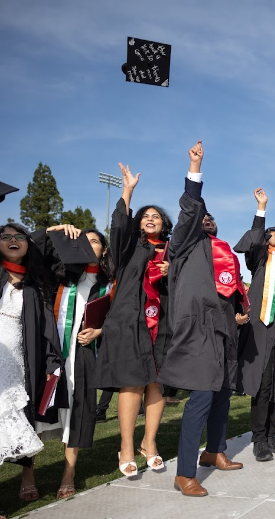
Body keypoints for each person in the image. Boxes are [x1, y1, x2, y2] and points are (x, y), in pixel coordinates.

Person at [158, 141, 247, 497]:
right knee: (202, 395)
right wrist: (195, 170)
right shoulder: (183, 244)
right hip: (197, 327)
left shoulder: (221, 251)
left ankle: (216, 450)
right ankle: (184, 472)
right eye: (202, 217)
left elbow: (232, 286)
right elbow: (191, 209)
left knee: (223, 392)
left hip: (224, 326)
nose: (206, 219)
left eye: (211, 217)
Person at [92, 163, 171, 477]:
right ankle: (126, 446)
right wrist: (127, 190)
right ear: (139, 224)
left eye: (157, 216)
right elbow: (119, 226)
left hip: (163, 323)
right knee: (132, 383)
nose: (151, 219)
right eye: (145, 216)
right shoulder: (129, 247)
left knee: (158, 384)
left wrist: (172, 271)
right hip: (129, 320)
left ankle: (148, 443)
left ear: (165, 224)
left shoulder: (172, 251)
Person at [33, 225, 115, 499]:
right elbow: (34, 252)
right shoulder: (58, 276)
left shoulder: (108, 284)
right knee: (36, 413)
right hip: (50, 352)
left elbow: (120, 317)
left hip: (83, 355)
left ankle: (68, 473)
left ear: (104, 250)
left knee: (79, 411)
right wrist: (50, 232)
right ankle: (27, 474)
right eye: (84, 241)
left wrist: (101, 330)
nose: (90, 245)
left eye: (95, 241)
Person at [0, 223, 64, 502]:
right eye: (5, 237)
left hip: (22, 357)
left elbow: (45, 324)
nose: (13, 241)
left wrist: (50, 233)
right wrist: (46, 230)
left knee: (21, 416)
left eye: (19, 237)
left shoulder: (35, 281)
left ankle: (27, 474)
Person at [234, 187, 275, 462]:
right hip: (261, 326)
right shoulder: (260, 260)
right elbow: (254, 241)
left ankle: (271, 435)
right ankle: (258, 439)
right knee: (263, 382)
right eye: (273, 232)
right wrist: (261, 209)